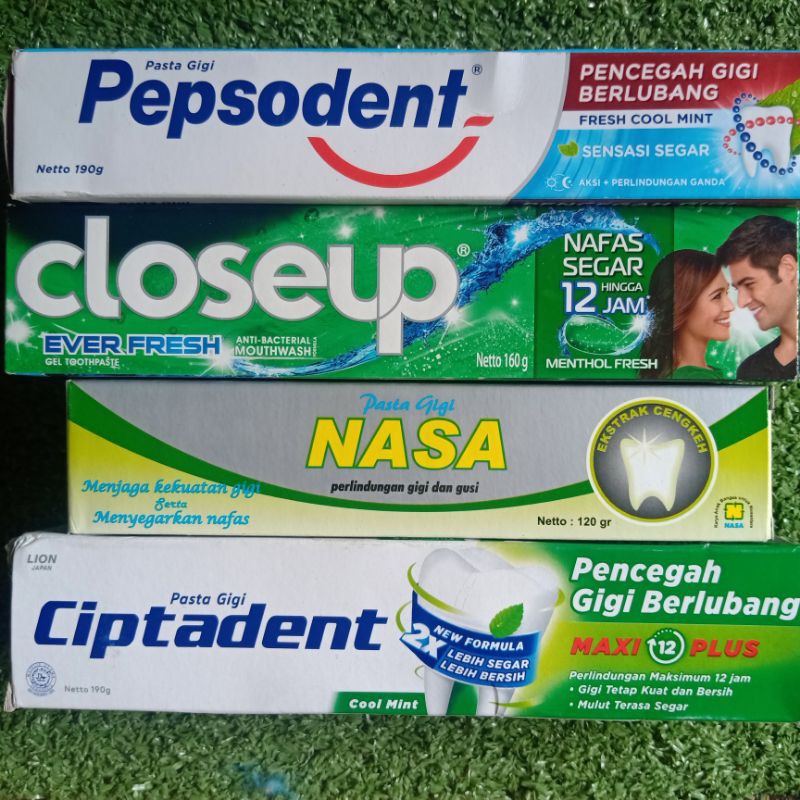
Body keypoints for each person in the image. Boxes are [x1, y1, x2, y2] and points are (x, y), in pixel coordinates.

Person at [715, 215, 798, 380]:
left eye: (749, 284)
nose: (741, 302)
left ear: (787, 269)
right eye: (737, 289)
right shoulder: (752, 370)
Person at [641, 249, 734, 379]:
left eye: (727, 293)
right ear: (682, 304)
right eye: (717, 296)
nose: (730, 306)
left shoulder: (688, 374)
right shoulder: (697, 380)